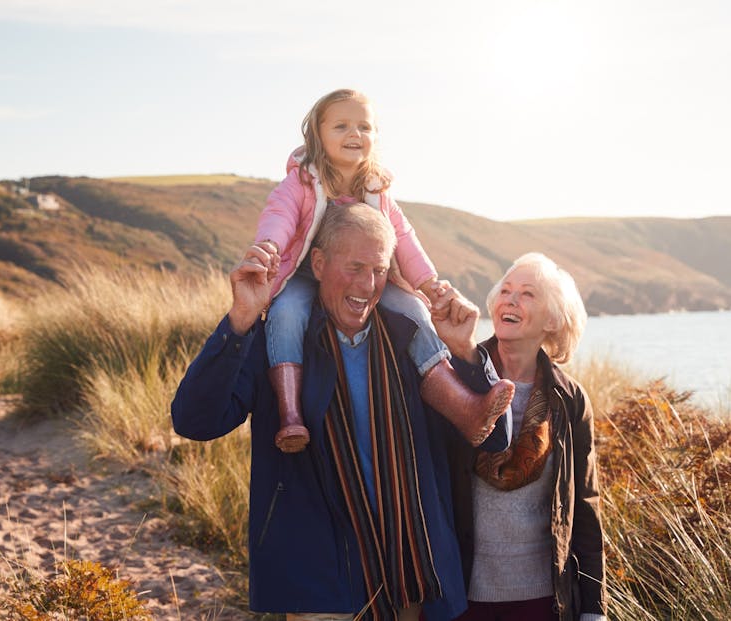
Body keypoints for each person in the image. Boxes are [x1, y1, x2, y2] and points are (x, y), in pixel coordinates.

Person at [171, 205, 511, 620]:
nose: (367, 285)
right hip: (321, 582)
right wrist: (241, 318)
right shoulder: (279, 347)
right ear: (318, 263)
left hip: (415, 578)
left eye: (379, 270)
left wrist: (466, 352)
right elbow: (195, 421)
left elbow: (493, 439)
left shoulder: (414, 342)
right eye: (354, 267)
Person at [253, 87, 512, 453]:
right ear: (317, 133)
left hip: (368, 276)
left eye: (364, 127)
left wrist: (427, 282)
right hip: (305, 274)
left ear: (375, 137)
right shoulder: (303, 181)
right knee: (286, 313)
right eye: (341, 126)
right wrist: (269, 247)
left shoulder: (377, 190)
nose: (354, 134)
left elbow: (403, 236)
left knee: (415, 310)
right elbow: (279, 216)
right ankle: (291, 414)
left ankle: (465, 408)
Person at [439, 252, 607, 621]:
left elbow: (585, 505)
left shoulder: (570, 400)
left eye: (528, 294)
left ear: (552, 319)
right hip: (457, 596)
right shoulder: (453, 376)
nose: (510, 300)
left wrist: (594, 608)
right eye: (506, 291)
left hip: (543, 599)